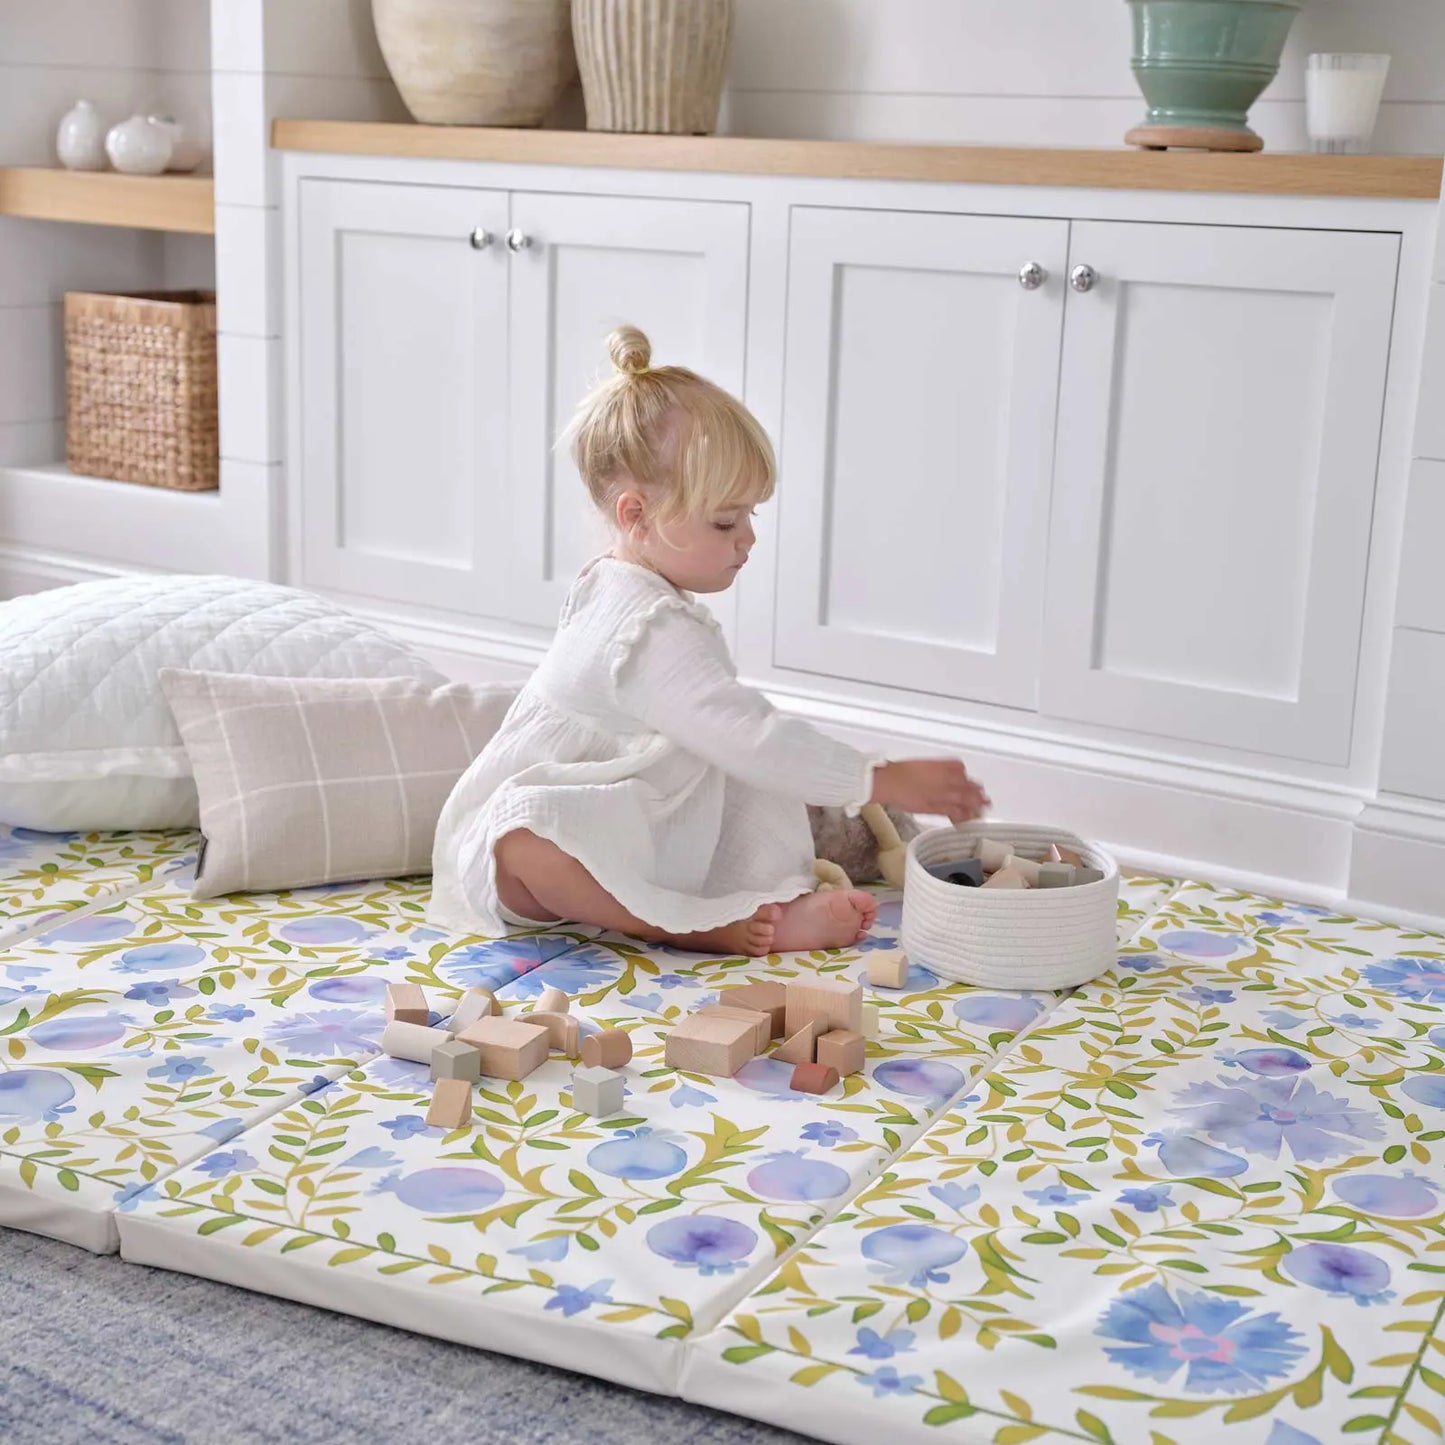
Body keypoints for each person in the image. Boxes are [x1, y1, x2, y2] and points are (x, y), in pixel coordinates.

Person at [430, 325, 988, 956]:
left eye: (751, 515)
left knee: (748, 780)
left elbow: (740, 736)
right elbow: (753, 737)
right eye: (726, 520)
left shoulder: (624, 582)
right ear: (635, 516)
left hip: (634, 800)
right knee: (523, 842)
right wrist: (882, 780)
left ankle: (753, 898)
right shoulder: (641, 626)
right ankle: (685, 925)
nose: (747, 538)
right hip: (574, 812)